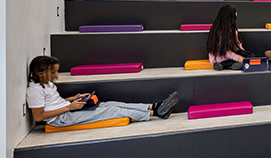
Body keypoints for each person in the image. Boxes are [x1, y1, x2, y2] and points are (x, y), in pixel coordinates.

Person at [27, 55, 178, 127]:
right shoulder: (34, 91)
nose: (56, 75)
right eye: (53, 72)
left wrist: (74, 98)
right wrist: (68, 107)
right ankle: (156, 113)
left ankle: (153, 106)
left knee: (109, 103)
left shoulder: (47, 84)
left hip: (67, 110)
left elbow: (55, 102)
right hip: (60, 119)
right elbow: (39, 117)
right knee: (111, 111)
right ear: (40, 73)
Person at [207, 4, 252, 70]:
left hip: (230, 54)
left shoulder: (233, 29)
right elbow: (226, 52)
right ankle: (223, 65)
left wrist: (243, 53)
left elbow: (238, 44)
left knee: (250, 56)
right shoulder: (220, 32)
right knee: (226, 61)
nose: (236, 14)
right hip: (220, 57)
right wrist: (238, 58)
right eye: (235, 12)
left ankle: (232, 64)